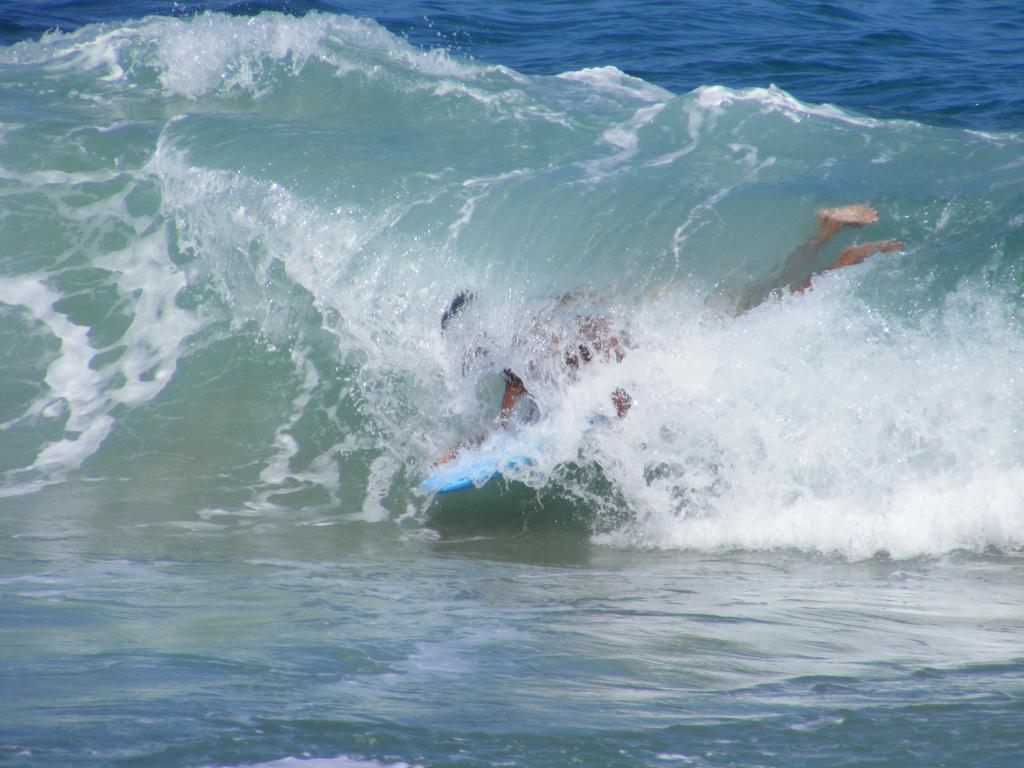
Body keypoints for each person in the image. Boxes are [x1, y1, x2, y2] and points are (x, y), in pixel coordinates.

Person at [439, 203, 900, 459]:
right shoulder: (529, 325)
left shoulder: (518, 358)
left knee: (761, 310)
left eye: (462, 347)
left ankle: (839, 261)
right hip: (662, 323)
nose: (462, 359)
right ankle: (824, 235)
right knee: (756, 302)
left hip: (668, 346)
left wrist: (628, 420)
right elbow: (588, 320)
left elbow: (596, 356)